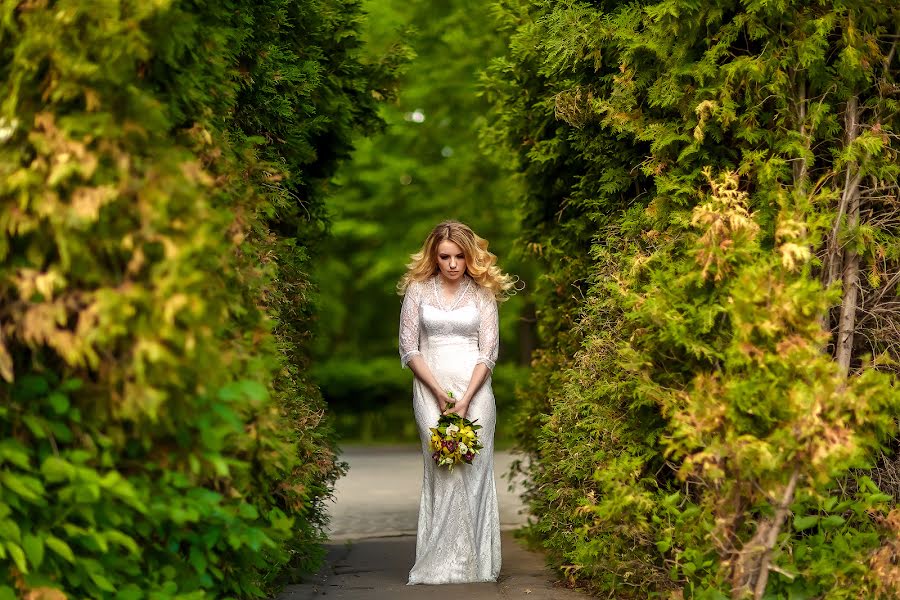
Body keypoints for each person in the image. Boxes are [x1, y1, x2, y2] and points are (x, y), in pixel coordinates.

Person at [398, 220, 515, 585]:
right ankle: (439, 563)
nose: (452, 264)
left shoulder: (483, 294)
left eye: (460, 257)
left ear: (470, 257)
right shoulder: (417, 290)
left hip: (474, 390)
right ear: (434, 256)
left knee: (475, 471)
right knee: (442, 469)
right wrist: (437, 391)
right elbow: (408, 347)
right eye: (445, 256)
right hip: (430, 389)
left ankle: (477, 564)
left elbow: (489, 351)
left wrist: (465, 399)